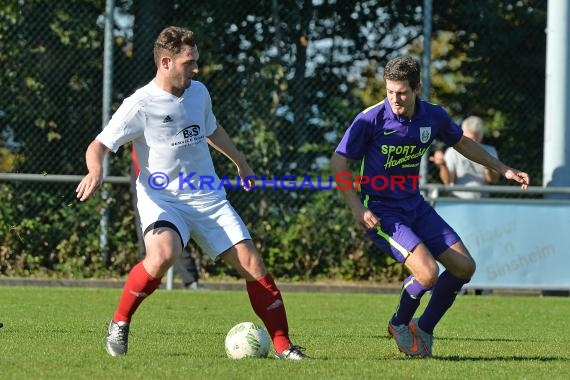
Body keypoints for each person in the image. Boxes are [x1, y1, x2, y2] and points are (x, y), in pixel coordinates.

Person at [76, 26, 306, 360]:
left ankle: (284, 346)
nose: (196, 68)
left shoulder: (198, 93)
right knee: (162, 255)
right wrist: (95, 170)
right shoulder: (139, 104)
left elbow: (212, 129)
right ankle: (120, 322)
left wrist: (240, 163)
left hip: (208, 197)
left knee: (253, 264)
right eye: (189, 62)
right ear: (166, 62)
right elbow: (98, 145)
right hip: (163, 199)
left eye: (196, 60)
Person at [330, 56, 529, 358]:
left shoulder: (433, 116)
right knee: (427, 273)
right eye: (390, 92)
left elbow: (462, 143)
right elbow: (338, 161)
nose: (395, 99)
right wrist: (358, 208)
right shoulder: (370, 119)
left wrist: (503, 169)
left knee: (464, 267)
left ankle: (423, 327)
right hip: (383, 211)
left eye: (402, 92)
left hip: (416, 206)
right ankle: (399, 323)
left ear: (417, 88)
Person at [131, 147, 205, 291]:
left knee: (174, 235)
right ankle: (147, 282)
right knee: (147, 238)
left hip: (171, 185)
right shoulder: (138, 129)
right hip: (144, 185)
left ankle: (191, 281)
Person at [430, 116, 499, 198]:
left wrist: (488, 167)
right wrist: (443, 165)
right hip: (458, 200)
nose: (468, 143)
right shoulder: (452, 152)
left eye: (473, 140)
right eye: (466, 139)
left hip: (482, 201)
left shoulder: (490, 151)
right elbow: (447, 181)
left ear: (480, 137)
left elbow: (493, 180)